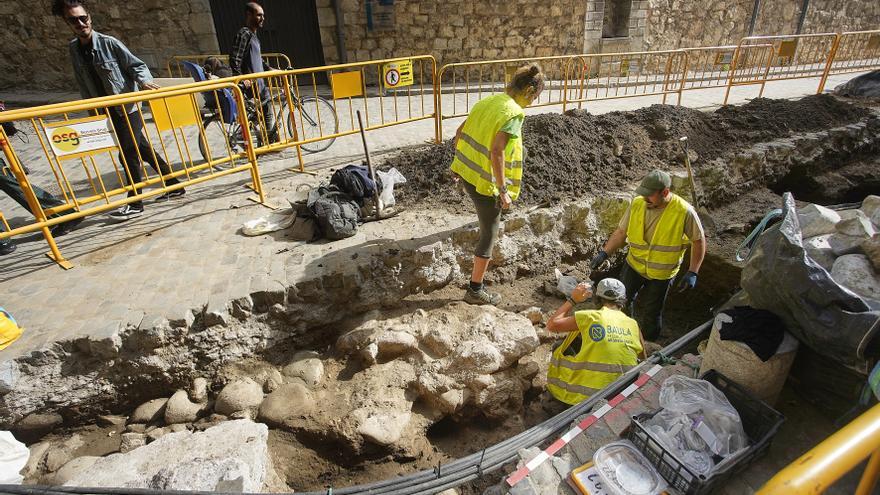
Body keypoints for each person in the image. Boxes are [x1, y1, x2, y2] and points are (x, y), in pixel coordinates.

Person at [52, 0, 185, 222]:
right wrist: (90, 110)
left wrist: (143, 81)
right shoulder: (74, 48)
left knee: (128, 154)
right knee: (141, 148)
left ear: (90, 17)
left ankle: (135, 202)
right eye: (74, 20)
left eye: (83, 18)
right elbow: (82, 81)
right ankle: (174, 184)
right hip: (104, 110)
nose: (80, 23)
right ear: (68, 23)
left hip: (126, 108)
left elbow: (137, 66)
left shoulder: (109, 43)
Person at [450, 64, 545, 306]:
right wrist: (502, 191)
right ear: (528, 90)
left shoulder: (490, 100)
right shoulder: (514, 114)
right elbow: (496, 151)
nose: (533, 103)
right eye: (535, 97)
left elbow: (460, 132)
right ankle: (475, 290)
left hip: (468, 174)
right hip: (484, 183)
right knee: (489, 233)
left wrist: (459, 166)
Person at [590, 170, 706, 341]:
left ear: (665, 192)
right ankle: (621, 335)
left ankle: (649, 345)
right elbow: (622, 232)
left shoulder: (684, 211)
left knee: (652, 312)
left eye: (649, 195)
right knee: (620, 301)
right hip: (634, 265)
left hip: (662, 274)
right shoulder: (638, 204)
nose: (645, 198)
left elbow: (698, 240)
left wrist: (693, 271)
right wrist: (604, 252)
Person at [545, 278, 646, 406]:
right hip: (621, 396)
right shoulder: (633, 324)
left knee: (559, 346)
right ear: (623, 300)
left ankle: (557, 397)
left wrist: (573, 299)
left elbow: (552, 325)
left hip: (581, 399)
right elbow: (643, 360)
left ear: (597, 298)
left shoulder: (590, 317)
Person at [230, 2, 278, 143]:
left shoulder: (253, 35)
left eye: (263, 15)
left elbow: (258, 59)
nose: (262, 18)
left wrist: (270, 69)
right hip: (251, 83)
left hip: (259, 82)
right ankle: (249, 137)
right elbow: (235, 58)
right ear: (249, 15)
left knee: (265, 111)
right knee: (263, 112)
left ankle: (267, 140)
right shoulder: (244, 34)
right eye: (258, 15)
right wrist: (241, 78)